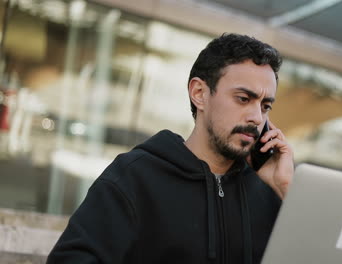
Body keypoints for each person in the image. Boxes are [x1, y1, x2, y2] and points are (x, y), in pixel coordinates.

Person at [47, 33, 294, 264]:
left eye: (265, 106)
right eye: (243, 99)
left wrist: (287, 191)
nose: (256, 117)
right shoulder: (135, 177)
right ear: (199, 93)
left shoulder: (271, 191)